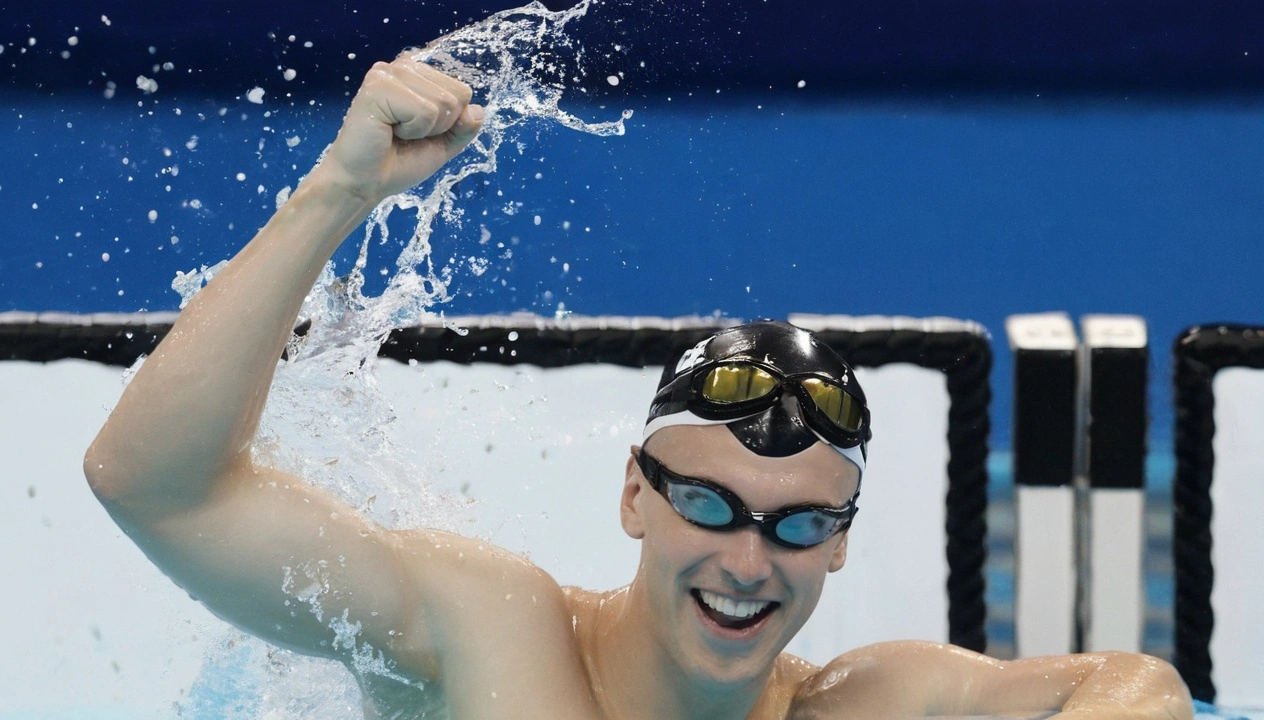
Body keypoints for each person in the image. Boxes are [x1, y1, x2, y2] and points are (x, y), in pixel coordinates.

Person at [84, 54, 1193, 720]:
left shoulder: (853, 702)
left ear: (840, 541)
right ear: (634, 496)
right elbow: (153, 485)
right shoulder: (489, 631)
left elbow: (1135, 683)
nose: (747, 565)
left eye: (797, 526)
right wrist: (335, 193)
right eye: (707, 505)